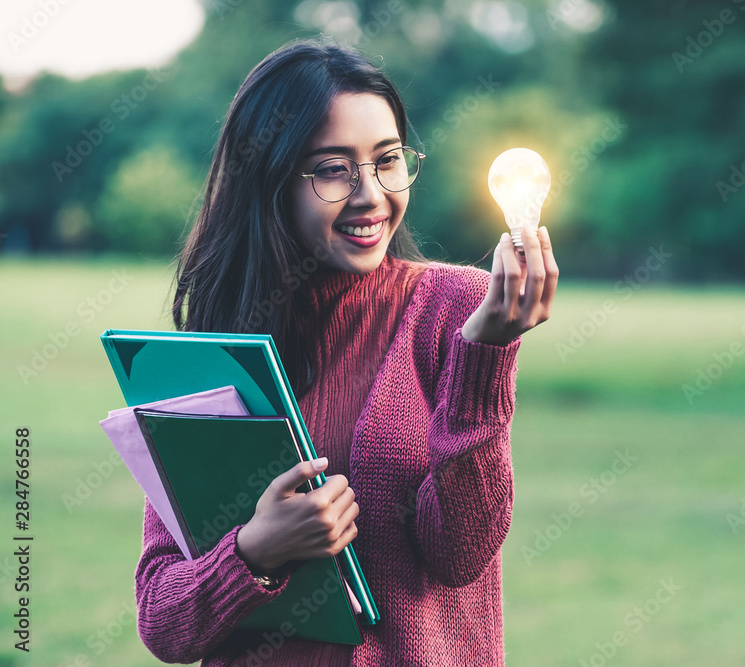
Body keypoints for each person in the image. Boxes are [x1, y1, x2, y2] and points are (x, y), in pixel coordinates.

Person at [133, 38, 557, 666]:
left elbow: (463, 553)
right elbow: (163, 623)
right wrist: (254, 551)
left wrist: (484, 356)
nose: (371, 196)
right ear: (270, 178)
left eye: (388, 160)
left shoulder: (453, 312)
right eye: (333, 169)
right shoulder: (214, 346)